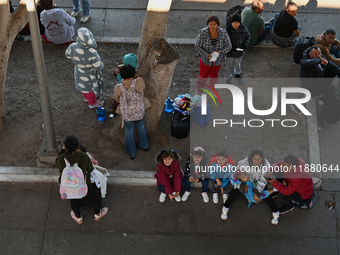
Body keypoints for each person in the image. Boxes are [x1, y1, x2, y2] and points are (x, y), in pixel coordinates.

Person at [56, 135, 108, 224]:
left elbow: (58, 166)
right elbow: (90, 169)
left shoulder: (61, 158)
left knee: (73, 199)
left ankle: (78, 217)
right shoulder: (83, 156)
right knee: (92, 196)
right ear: (77, 146)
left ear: (65, 146)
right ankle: (97, 214)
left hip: (69, 184)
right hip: (84, 183)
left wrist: (61, 151)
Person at [221, 148, 280, 225]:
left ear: (262, 158)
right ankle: (225, 207)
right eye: (255, 158)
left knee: (265, 195)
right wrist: (241, 186)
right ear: (251, 158)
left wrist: (257, 193)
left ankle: (275, 211)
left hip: (258, 182)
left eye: (259, 158)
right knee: (235, 192)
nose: (256, 161)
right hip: (246, 181)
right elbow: (236, 175)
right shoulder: (244, 163)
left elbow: (263, 180)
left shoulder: (266, 165)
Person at [113, 64, 150, 159]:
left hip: (127, 113)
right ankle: (144, 145)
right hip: (139, 110)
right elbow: (144, 89)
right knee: (140, 125)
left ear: (121, 75)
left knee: (128, 130)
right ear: (134, 73)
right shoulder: (139, 81)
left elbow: (117, 99)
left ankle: (132, 153)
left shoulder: (118, 87)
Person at [65, 27, 105, 108]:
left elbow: (67, 55)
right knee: (90, 88)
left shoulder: (72, 46)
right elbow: (98, 66)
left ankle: (86, 98)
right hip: (90, 74)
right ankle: (92, 103)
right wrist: (102, 64)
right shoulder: (92, 52)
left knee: (83, 86)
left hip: (79, 70)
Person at [195, 16, 231, 93]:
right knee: (203, 76)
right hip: (205, 59)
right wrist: (205, 54)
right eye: (210, 24)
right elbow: (197, 46)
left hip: (217, 60)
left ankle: (212, 90)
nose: (212, 26)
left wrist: (219, 52)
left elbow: (229, 46)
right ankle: (199, 91)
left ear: (217, 25)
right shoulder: (203, 33)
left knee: (214, 75)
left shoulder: (223, 33)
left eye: (214, 24)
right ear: (208, 24)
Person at [225, 13, 250, 84]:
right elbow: (224, 40)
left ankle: (237, 74)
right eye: (234, 22)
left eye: (237, 22)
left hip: (239, 52)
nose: (235, 24)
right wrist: (228, 47)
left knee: (238, 64)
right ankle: (227, 78)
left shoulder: (243, 29)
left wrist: (244, 45)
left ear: (240, 22)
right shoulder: (228, 30)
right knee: (228, 66)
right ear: (231, 22)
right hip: (229, 53)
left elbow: (248, 37)